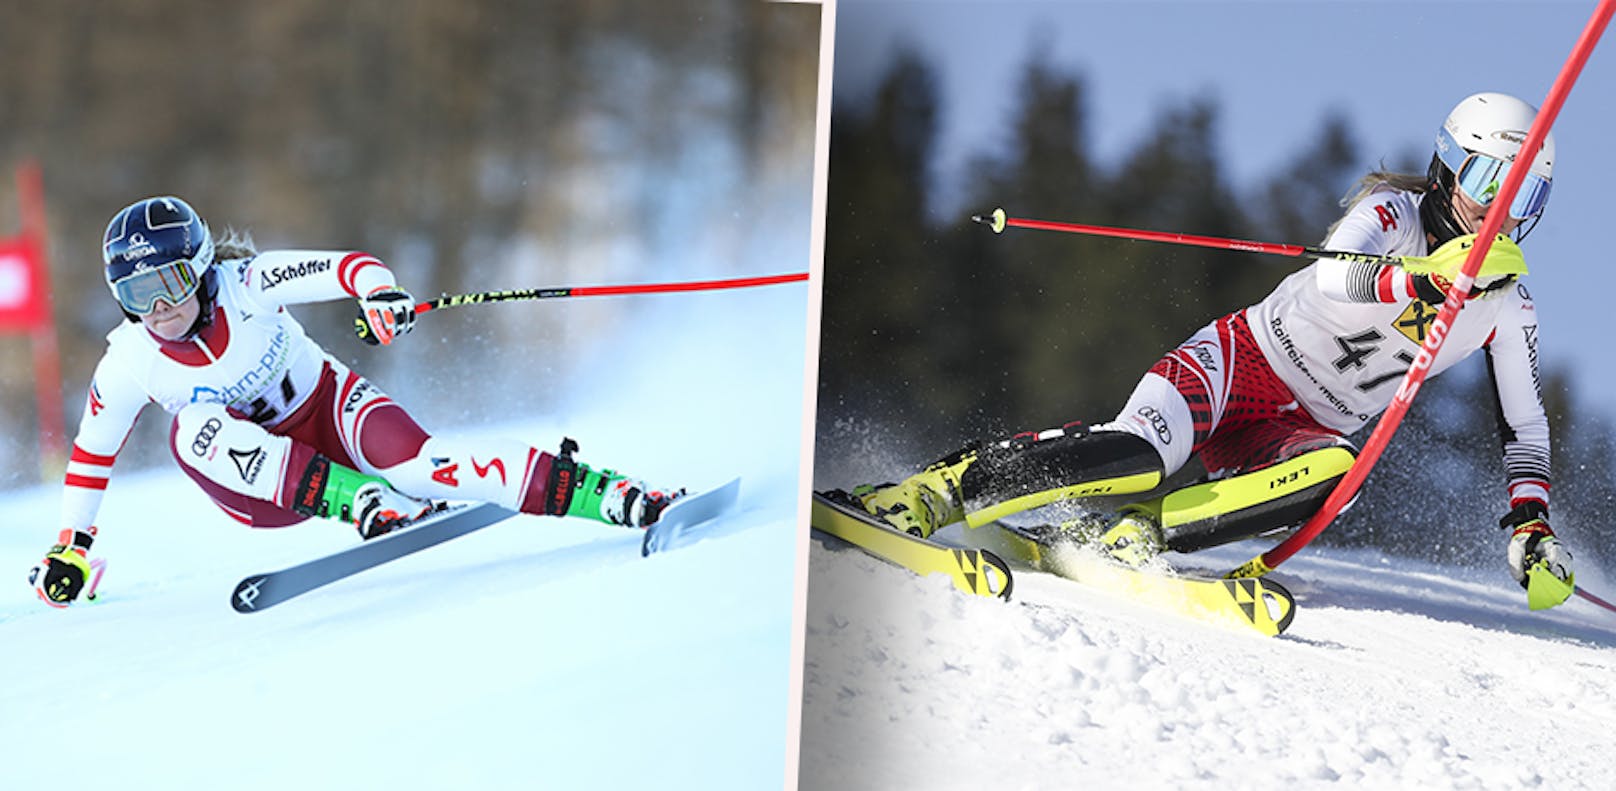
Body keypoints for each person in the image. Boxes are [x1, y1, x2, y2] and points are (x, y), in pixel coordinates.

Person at [853, 92, 1573, 596]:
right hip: (1241, 364)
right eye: (1490, 182)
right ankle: (936, 490)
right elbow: (1332, 280)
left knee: (1338, 479)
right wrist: (1421, 284)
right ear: (1448, 168)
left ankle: (1142, 535)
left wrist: (1531, 523)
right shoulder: (1392, 212)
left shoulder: (1510, 308)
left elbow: (1525, 424)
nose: (1500, 211)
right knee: (1137, 456)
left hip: (1303, 427)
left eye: (1525, 197)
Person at [28, 196, 682, 608]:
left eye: (170, 282)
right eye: (139, 293)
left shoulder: (248, 282)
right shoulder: (129, 361)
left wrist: (380, 296)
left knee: (425, 464)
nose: (161, 307)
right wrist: (72, 545)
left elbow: (349, 267)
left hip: (331, 409)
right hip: (267, 488)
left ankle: (614, 496)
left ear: (200, 269)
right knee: (192, 427)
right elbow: (92, 455)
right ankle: (362, 503)